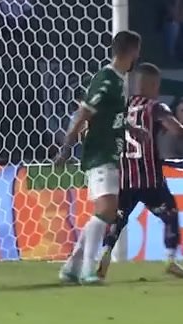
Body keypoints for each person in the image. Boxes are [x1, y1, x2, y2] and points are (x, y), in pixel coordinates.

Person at [56, 30, 143, 284]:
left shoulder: (118, 80)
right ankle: (87, 269)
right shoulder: (106, 78)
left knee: (107, 211)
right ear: (132, 51)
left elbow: (111, 117)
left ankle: (72, 268)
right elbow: (84, 112)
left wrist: (132, 129)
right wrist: (66, 147)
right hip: (100, 152)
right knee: (106, 210)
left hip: (111, 152)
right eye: (137, 51)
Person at [97, 63, 183, 280]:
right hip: (150, 178)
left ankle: (105, 252)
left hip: (124, 176)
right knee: (170, 213)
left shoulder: (121, 107)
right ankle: (170, 259)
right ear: (152, 85)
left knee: (118, 219)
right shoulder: (155, 107)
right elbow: (176, 130)